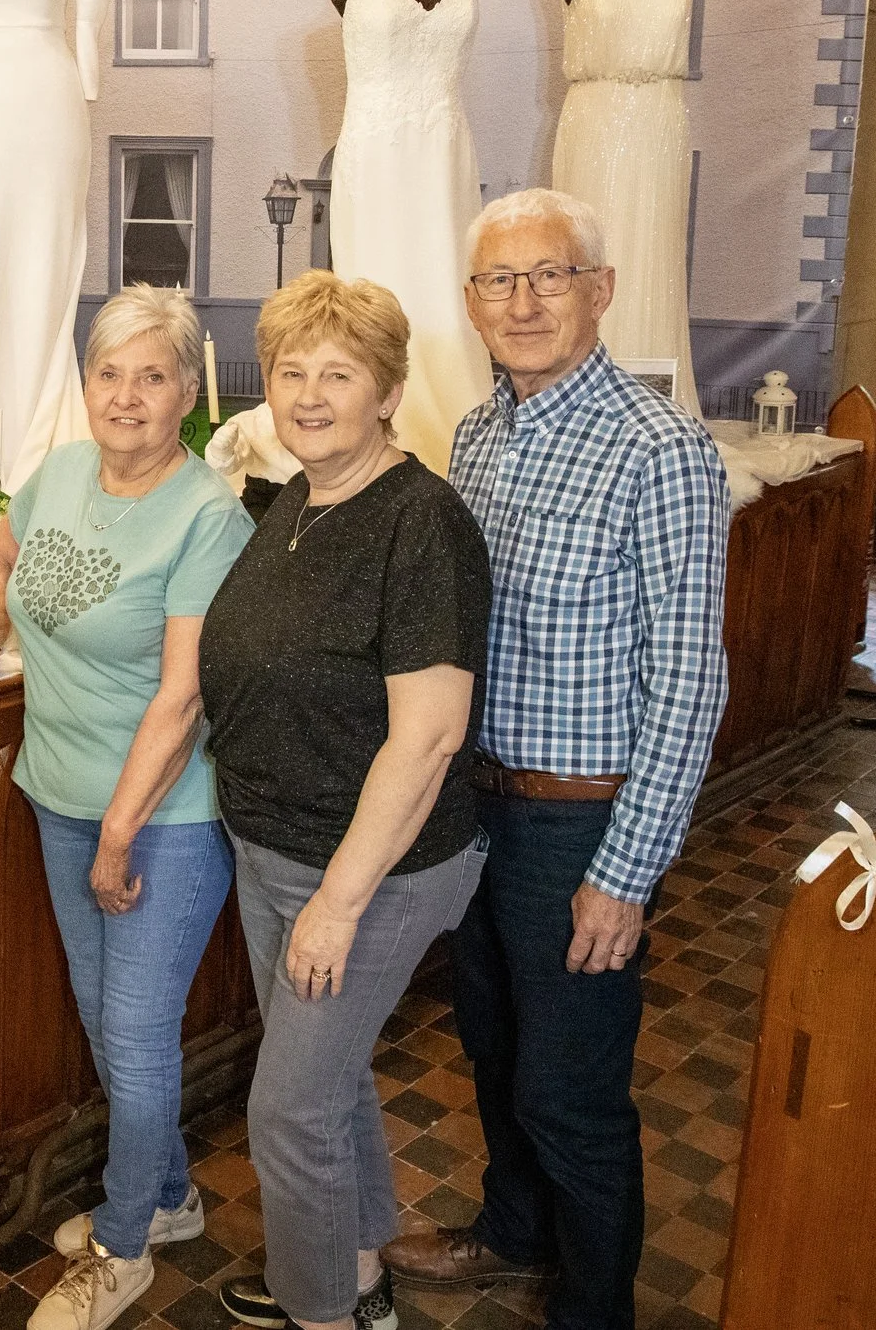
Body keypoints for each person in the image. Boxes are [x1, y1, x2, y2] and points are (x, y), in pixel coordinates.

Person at [382, 190, 729, 1330]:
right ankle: (511, 1231)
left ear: (602, 290)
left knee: (570, 1092)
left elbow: (689, 682)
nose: (522, 301)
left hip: (582, 822)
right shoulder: (479, 433)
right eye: (497, 279)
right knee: (490, 1049)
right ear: (471, 302)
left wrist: (624, 872)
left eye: (550, 275)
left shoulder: (659, 447)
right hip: (479, 808)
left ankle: (594, 1308)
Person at [196, 271, 491, 1330]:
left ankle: (317, 1310)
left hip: (372, 867)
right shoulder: (293, 502)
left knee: (287, 1110)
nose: (309, 393)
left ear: (387, 391)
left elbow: (428, 735)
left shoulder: (421, 523)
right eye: (290, 372)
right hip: (273, 844)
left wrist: (340, 899)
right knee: (326, 1084)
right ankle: (357, 1265)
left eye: (338, 373)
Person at [0, 286, 253, 1330]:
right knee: (106, 1019)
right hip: (56, 791)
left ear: (187, 390)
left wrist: (122, 831)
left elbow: (180, 698)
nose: (125, 395)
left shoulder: (207, 514)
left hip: (163, 815)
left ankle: (123, 1246)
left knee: (134, 1036)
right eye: (108, 372)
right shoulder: (60, 471)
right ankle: (171, 1195)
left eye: (151, 375)